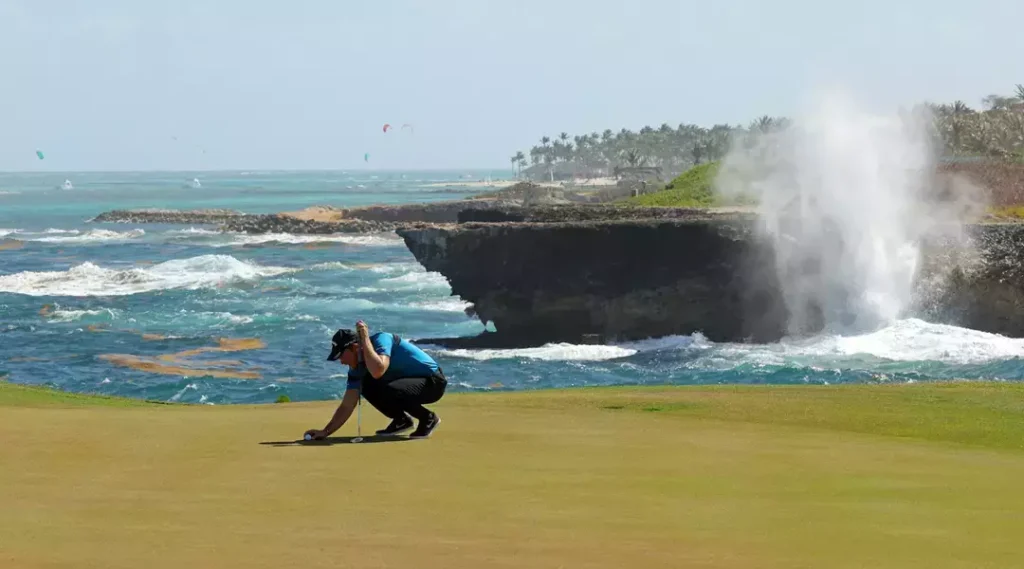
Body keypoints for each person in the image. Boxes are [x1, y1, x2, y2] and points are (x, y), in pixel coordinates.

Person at [304, 321, 447, 440]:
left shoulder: (381, 339)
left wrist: (365, 338)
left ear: (354, 347)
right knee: (366, 384)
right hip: (408, 384)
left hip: (433, 382)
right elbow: (347, 405)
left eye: (341, 355)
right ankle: (401, 420)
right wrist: (325, 432)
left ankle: (427, 418)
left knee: (386, 386)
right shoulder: (356, 369)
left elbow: (379, 369)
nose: (341, 361)